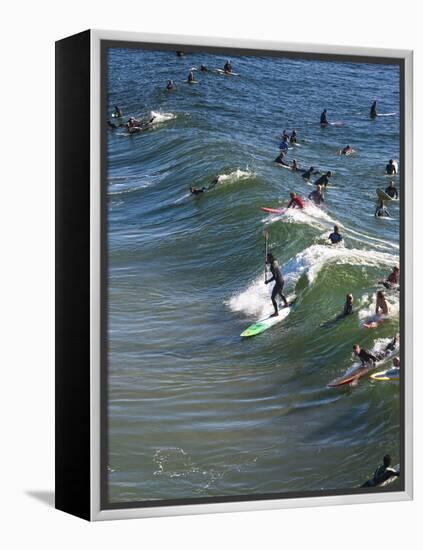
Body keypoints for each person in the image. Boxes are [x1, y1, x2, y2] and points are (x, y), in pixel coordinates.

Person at [265, 252, 289, 317]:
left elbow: (275, 277)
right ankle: (286, 304)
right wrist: (268, 262)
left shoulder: (272, 267)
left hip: (278, 282)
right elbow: (273, 263)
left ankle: (276, 313)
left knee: (272, 297)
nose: (266, 259)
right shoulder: (275, 261)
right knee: (280, 292)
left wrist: (267, 281)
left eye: (267, 258)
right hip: (282, 280)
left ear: (270, 258)